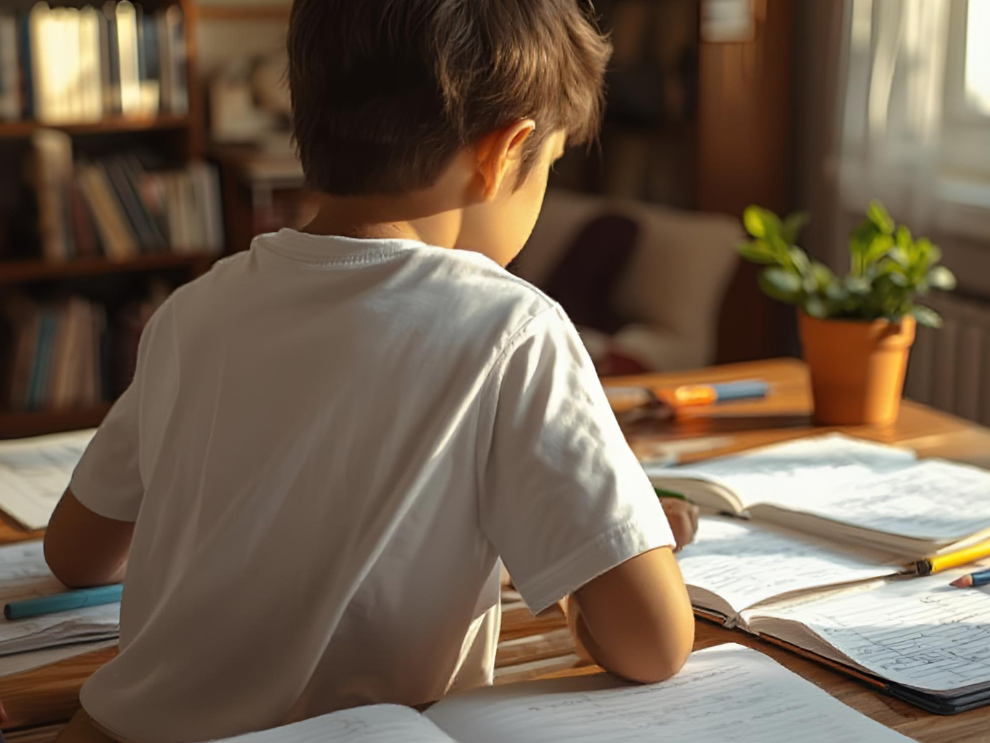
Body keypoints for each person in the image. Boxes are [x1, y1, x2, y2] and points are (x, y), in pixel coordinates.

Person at [46, 2, 698, 741]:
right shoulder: (513, 329)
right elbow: (654, 643)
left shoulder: (192, 311)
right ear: (501, 153)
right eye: (547, 167)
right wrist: (597, 557)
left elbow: (73, 553)